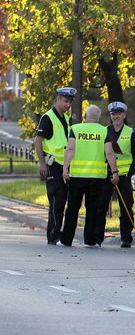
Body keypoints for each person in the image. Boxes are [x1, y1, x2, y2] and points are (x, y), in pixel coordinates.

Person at [59, 105, 119, 247]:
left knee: (72, 208)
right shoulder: (104, 131)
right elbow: (109, 153)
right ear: (98, 117)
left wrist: (65, 168)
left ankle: (66, 240)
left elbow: (70, 149)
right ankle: (90, 241)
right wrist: (115, 172)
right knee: (92, 209)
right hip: (97, 177)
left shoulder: (76, 129)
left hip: (77, 176)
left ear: (85, 116)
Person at [33, 87, 75, 244]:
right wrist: (42, 163)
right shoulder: (48, 117)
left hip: (63, 165)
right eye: (65, 101)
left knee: (61, 201)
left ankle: (55, 233)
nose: (68, 104)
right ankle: (54, 235)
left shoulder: (64, 118)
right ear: (58, 99)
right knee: (57, 201)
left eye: (70, 102)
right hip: (53, 165)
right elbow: (38, 140)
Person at [100, 102, 135, 248]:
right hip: (106, 175)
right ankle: (98, 237)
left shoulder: (131, 133)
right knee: (101, 206)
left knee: (126, 207)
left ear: (124, 115)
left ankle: (126, 238)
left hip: (123, 176)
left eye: (118, 114)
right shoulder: (104, 131)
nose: (116, 117)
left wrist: (129, 173)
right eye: (113, 114)